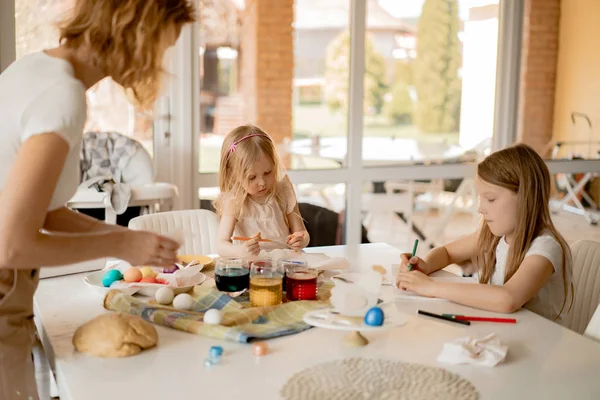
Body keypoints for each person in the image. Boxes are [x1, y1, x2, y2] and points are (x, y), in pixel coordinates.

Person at [0, 1, 195, 398]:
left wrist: (130, 242)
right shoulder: (62, 95)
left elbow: (48, 213)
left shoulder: (32, 69)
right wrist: (122, 242)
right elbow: (12, 244)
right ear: (137, 33)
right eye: (162, 49)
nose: (159, 65)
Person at [396, 144, 573, 324]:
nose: (480, 208)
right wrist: (425, 265)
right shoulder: (494, 235)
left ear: (525, 197)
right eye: (480, 198)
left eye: (491, 199)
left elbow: (507, 299)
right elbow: (447, 253)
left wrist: (431, 287)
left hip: (540, 343)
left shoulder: (544, 247)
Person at [215, 125, 309, 257]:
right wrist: (241, 251)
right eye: (252, 177)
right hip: (252, 266)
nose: (262, 182)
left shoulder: (282, 189)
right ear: (233, 173)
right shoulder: (234, 200)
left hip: (285, 263)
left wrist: (302, 239)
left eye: (267, 172)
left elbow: (301, 231)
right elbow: (221, 245)